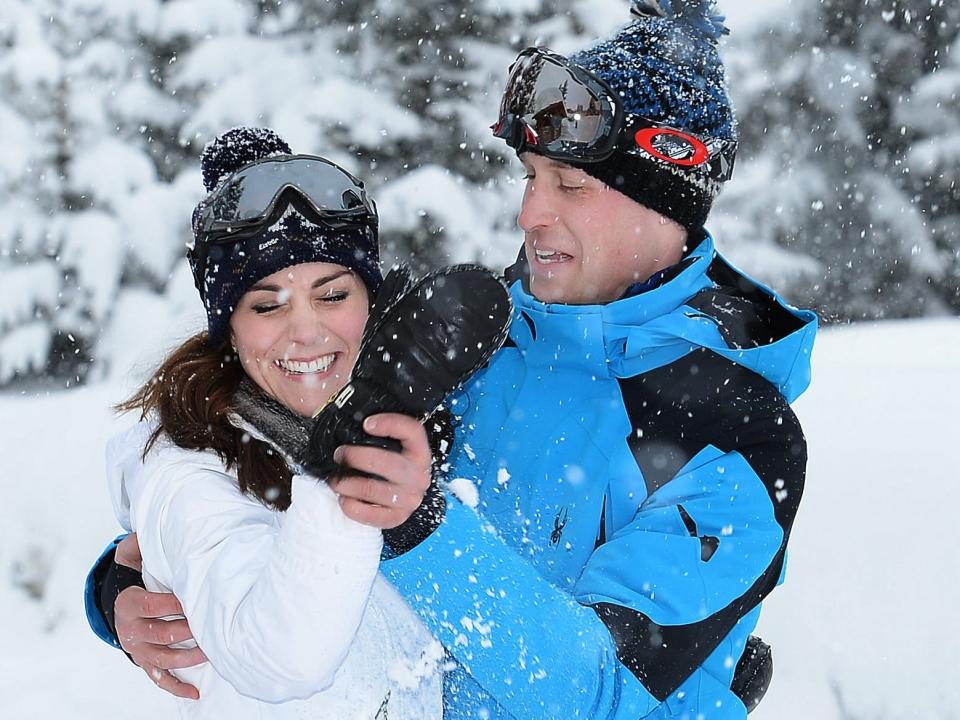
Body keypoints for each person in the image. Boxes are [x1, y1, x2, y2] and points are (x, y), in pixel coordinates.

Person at [87, 3, 818, 718]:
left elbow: (592, 694)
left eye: (571, 187)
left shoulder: (740, 434)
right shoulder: (473, 332)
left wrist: (419, 528)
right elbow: (252, 457)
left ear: (667, 206)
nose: (531, 213)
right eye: (531, 176)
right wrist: (121, 587)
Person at [88, 125, 510, 718]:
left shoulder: (430, 419)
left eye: (333, 295)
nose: (306, 331)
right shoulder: (187, 473)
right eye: (266, 305)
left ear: (373, 298)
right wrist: (348, 460)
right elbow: (278, 657)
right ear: (227, 328)